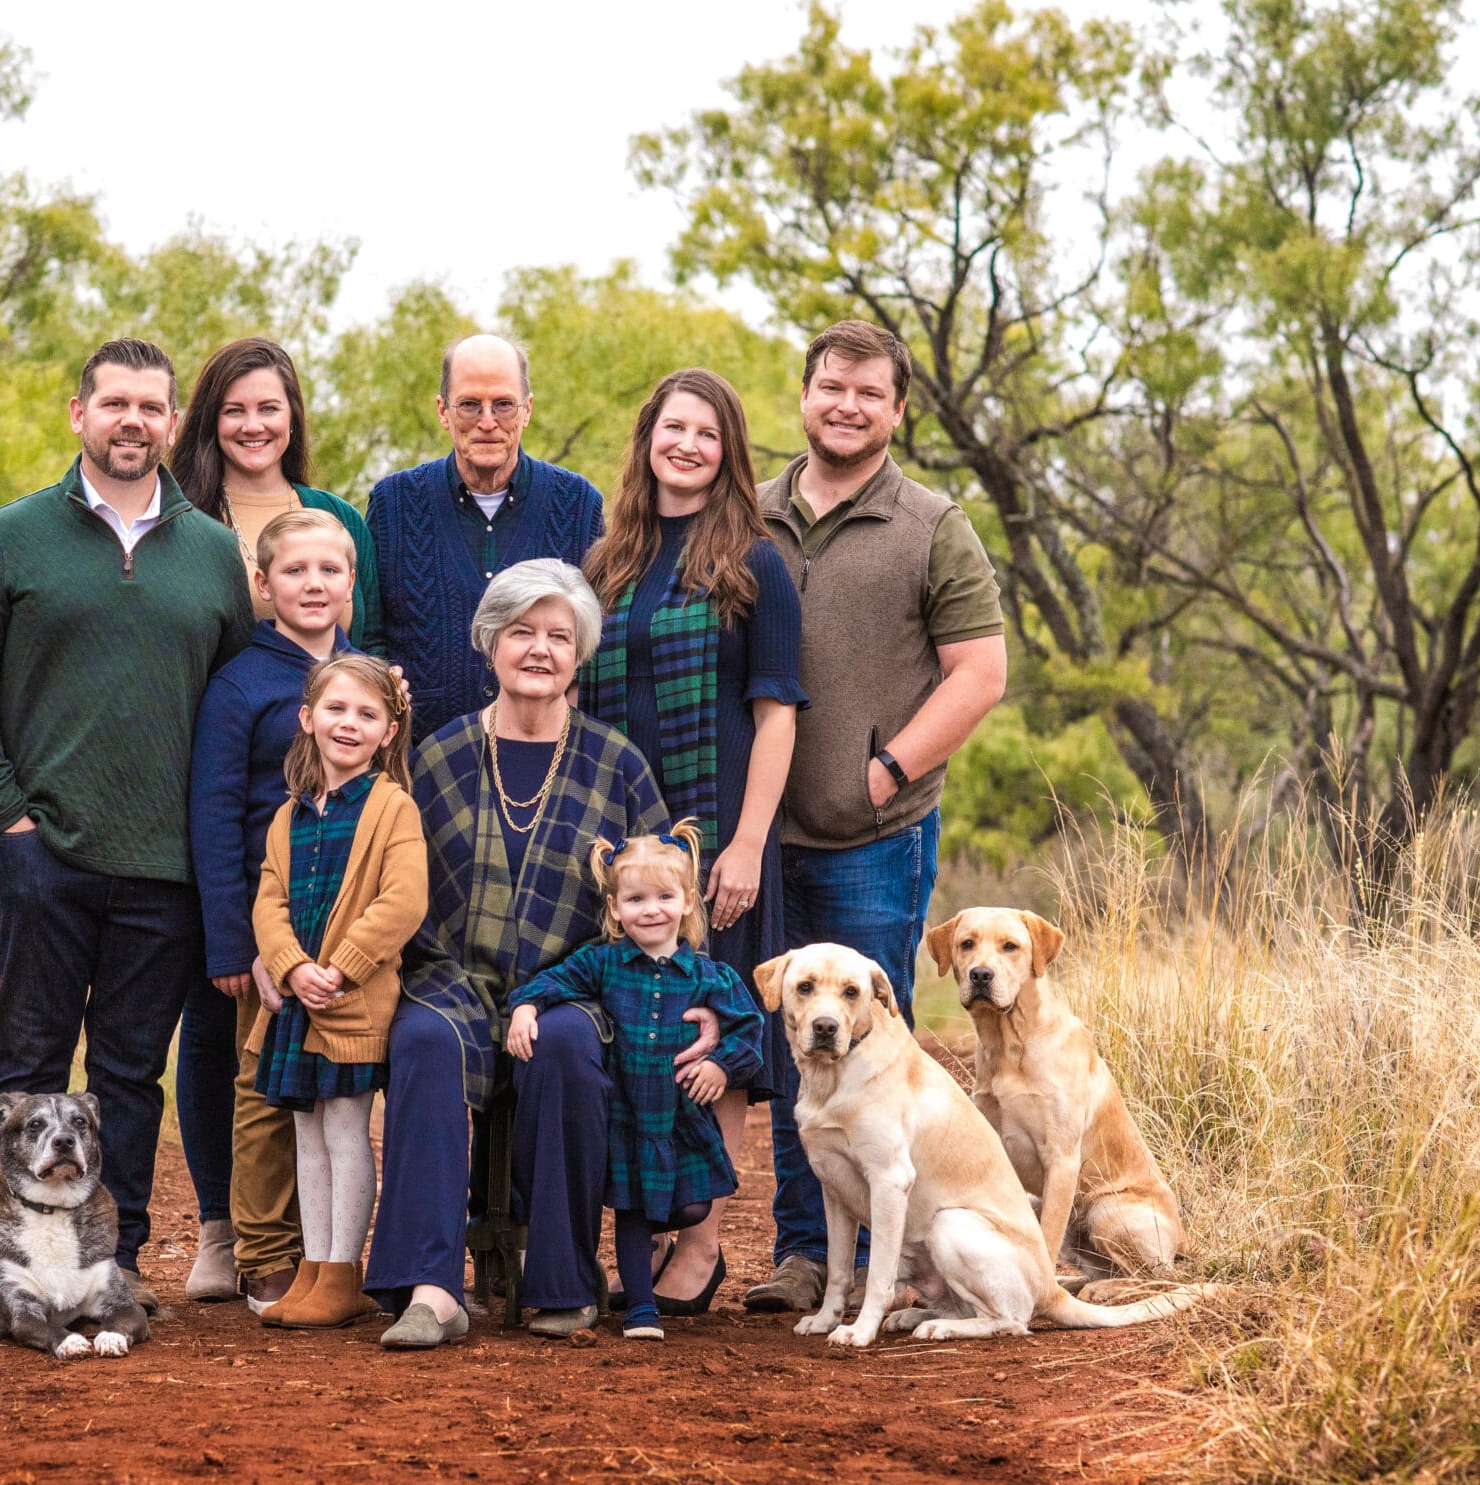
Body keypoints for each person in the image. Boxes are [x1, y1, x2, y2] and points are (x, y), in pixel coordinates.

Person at [0, 336, 255, 1311]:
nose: (133, 422)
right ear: (79, 413)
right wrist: (7, 820)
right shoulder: (7, 537)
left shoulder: (210, 554)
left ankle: (112, 1267)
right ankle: (6, 1270)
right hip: (42, 859)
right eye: (115, 403)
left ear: (169, 423)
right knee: (26, 1070)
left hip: (165, 871)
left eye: (152, 408)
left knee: (125, 1077)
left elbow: (236, 698)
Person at [366, 558, 718, 1351]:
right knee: (421, 1040)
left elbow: (661, 889)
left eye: (559, 636)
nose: (539, 649)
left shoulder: (616, 762)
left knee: (564, 1045)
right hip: (449, 975)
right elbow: (400, 881)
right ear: (490, 643)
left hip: (577, 986)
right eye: (521, 632)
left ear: (580, 653)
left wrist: (686, 991)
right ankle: (432, 1285)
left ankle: (562, 1279)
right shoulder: (441, 757)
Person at [740, 320, 1010, 1317]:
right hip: (762, 835)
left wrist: (887, 768)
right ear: (804, 396)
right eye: (829, 388)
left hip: (870, 837)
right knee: (790, 1042)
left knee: (865, 1044)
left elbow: (980, 673)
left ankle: (893, 1265)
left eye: (868, 392)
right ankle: (808, 1256)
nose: (846, 405)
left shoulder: (933, 525)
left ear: (897, 410)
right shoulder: (749, 509)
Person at [575, 367, 803, 1315]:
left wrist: (746, 843)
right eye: (674, 428)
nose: (688, 446)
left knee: (718, 1035)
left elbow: (777, 710)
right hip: (622, 847)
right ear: (648, 438)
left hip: (718, 842)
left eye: (708, 434)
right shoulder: (607, 561)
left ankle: (703, 1240)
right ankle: (633, 1228)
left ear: (729, 450)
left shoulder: (756, 561)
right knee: (633, 1030)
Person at [170, 341, 378, 1298]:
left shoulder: (357, 685)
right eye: (234, 409)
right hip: (262, 914)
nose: (315, 583)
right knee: (257, 1084)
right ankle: (250, 1249)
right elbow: (216, 808)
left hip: (346, 917)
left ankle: (326, 1256)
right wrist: (230, 933)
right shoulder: (241, 678)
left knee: (335, 1089)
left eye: (330, 572)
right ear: (263, 583)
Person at [506, 823, 764, 1343]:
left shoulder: (711, 977)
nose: (651, 910)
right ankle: (641, 1309)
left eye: (665, 897)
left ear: (689, 903)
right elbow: (549, 981)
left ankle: (672, 1261)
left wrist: (720, 1066)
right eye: (636, 899)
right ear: (615, 910)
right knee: (632, 1213)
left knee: (687, 1205)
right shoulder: (603, 963)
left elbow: (749, 1032)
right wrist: (526, 1008)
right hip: (627, 1116)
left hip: (680, 1120)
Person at [247, 655, 425, 1330]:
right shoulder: (289, 815)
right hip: (299, 1001)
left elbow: (402, 901)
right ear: (308, 718)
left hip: (352, 1000)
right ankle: (314, 1268)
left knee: (347, 1129)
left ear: (387, 732)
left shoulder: (391, 808)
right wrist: (291, 966)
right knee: (306, 1132)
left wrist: (341, 967)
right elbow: (268, 900)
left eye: (367, 715)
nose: (349, 723)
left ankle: (344, 1270)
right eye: (336, 709)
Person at [361, 334, 605, 734]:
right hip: (419, 760)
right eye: (470, 405)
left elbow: (598, 642)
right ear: (443, 411)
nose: (487, 422)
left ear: (527, 410)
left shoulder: (578, 505)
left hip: (544, 760)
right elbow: (369, 635)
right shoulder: (393, 504)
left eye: (503, 405)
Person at [171, 336, 377, 629]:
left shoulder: (342, 518)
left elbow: (372, 641)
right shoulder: (180, 520)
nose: (253, 426)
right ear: (212, 422)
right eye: (234, 410)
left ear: (292, 416)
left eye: (269, 408)